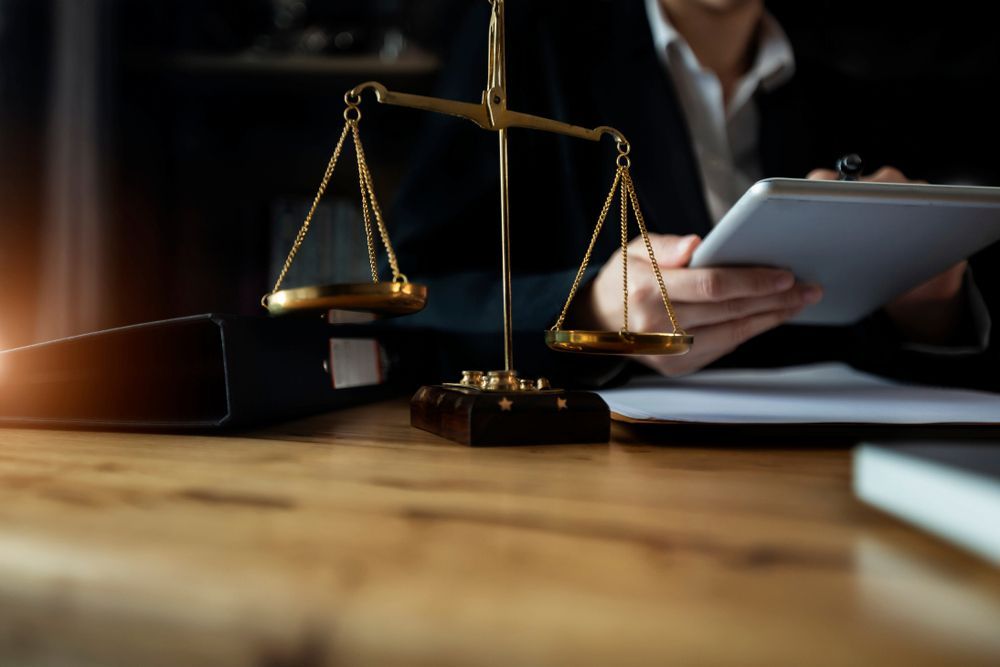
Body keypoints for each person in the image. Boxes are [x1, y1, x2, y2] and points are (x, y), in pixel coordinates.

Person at [388, 0, 998, 388]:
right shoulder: (525, 38)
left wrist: (929, 305)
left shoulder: (866, 72)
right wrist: (590, 312)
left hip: (836, 471)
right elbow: (414, 291)